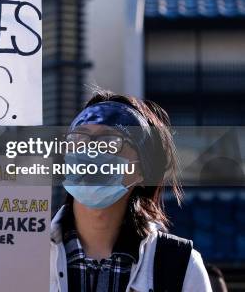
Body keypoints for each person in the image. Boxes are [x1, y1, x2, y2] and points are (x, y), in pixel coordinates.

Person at [50, 90, 212, 291]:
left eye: (109, 142)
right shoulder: (24, 253)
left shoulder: (179, 266)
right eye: (77, 140)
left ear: (143, 170)